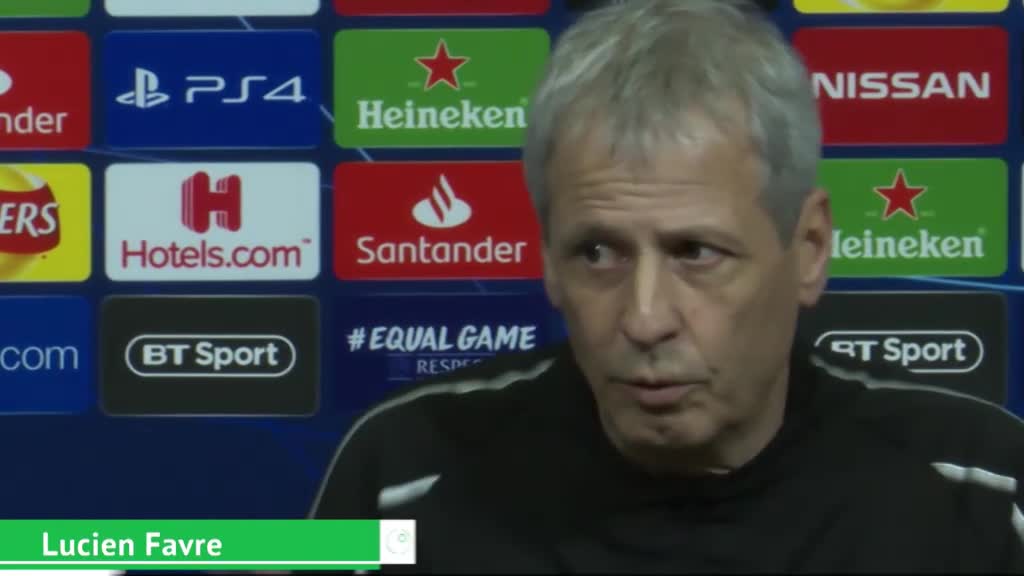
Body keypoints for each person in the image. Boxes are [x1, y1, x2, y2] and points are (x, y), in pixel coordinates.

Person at [310, 0, 1024, 571]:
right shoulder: (402, 471)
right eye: (597, 253)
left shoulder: (983, 488)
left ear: (808, 249)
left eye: (696, 253)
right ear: (548, 259)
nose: (645, 319)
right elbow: (251, 550)